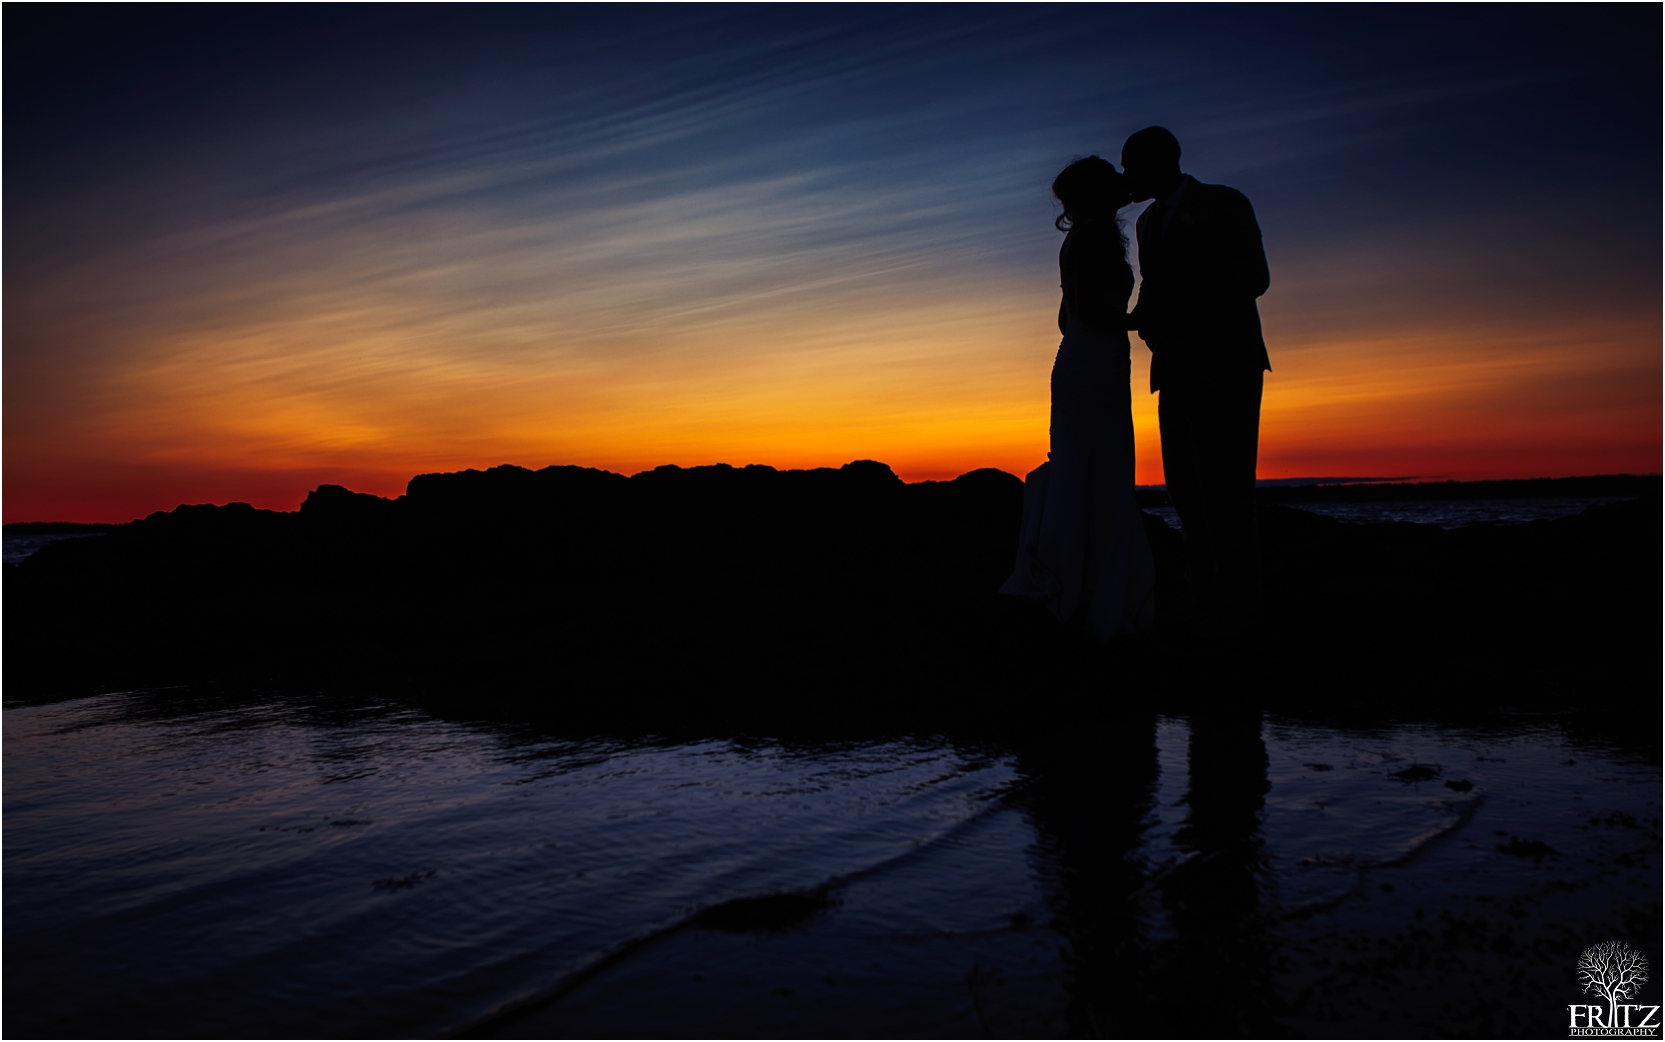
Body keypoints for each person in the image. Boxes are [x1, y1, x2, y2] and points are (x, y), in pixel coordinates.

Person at [1121, 126, 1270, 632]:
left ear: (1162, 162)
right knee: (1184, 488)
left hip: (1227, 366)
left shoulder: (1225, 203)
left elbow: (1253, 277)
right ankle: (1201, 597)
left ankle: (1241, 608)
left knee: (1227, 489)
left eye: (1132, 167)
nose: (1127, 178)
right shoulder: (1145, 223)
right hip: (1175, 369)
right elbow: (1150, 287)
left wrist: (1179, 320)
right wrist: (1141, 326)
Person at [1000, 156, 1155, 641]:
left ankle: (1082, 582)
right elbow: (1087, 311)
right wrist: (1143, 322)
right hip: (1094, 364)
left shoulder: (1085, 239)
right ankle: (1090, 592)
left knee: (1088, 467)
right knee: (1097, 468)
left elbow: (1068, 319)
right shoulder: (1090, 239)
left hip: (1087, 360)